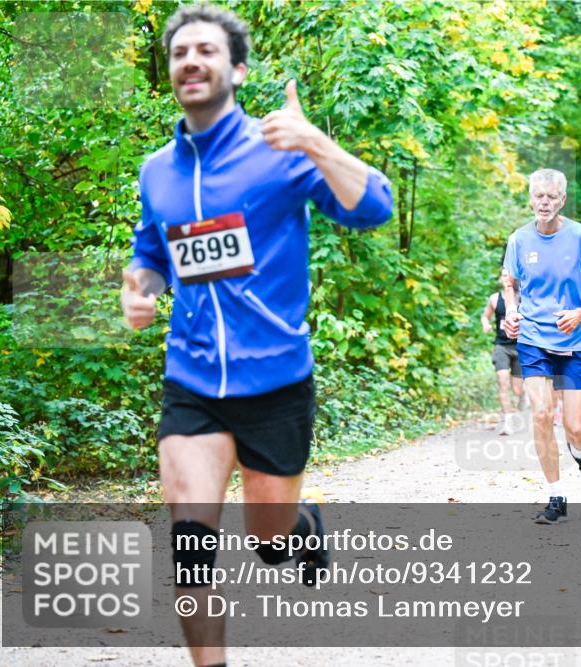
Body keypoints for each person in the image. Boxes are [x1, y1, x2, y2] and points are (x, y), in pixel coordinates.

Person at [120, 5, 391, 665]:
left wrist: (317, 143)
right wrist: (140, 288)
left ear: (237, 70)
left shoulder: (281, 151)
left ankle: (301, 528)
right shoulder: (157, 171)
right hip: (192, 381)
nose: (191, 60)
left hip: (275, 381)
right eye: (180, 52)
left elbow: (374, 208)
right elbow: (152, 255)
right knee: (191, 546)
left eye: (207, 50)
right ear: (170, 71)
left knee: (269, 541)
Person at [502, 168, 581, 525]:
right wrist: (512, 311)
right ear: (530, 199)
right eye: (539, 196)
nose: (545, 202)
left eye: (552, 196)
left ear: (562, 200)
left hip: (576, 341)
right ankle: (556, 496)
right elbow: (510, 283)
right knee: (540, 413)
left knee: (574, 428)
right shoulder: (519, 240)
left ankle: (580, 453)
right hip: (534, 338)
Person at [481, 268, 524, 435]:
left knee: (518, 389)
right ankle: (507, 421)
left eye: (510, 276)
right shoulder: (495, 298)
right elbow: (485, 316)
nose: (506, 278)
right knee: (502, 381)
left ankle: (523, 400)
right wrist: (486, 324)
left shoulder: (522, 298)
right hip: (501, 346)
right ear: (500, 278)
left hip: (519, 346)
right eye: (504, 275)